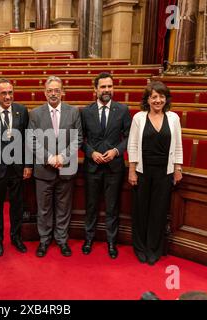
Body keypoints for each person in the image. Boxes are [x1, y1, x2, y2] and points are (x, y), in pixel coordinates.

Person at [127, 81, 183, 265]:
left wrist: (177, 168)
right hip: (143, 171)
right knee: (141, 211)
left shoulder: (173, 118)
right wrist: (132, 171)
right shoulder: (139, 118)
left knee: (158, 212)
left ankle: (154, 249)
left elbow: (178, 145)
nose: (158, 100)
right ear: (148, 99)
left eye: (161, 96)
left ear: (166, 99)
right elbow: (132, 145)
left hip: (164, 172)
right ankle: (141, 247)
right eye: (154, 97)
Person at [27, 76, 83, 258]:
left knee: (63, 207)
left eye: (56, 90)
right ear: (45, 93)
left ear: (62, 93)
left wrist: (63, 157)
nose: (53, 94)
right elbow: (31, 140)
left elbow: (78, 139)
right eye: (50, 91)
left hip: (66, 169)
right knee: (43, 209)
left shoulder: (73, 112)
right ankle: (44, 240)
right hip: (44, 170)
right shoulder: (35, 114)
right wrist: (50, 157)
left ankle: (61, 240)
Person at [80, 72, 131, 259]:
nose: (107, 90)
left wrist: (116, 151)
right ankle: (88, 239)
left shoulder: (123, 110)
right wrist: (91, 152)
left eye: (110, 86)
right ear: (95, 90)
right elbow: (80, 139)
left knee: (112, 207)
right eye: (103, 87)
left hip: (114, 168)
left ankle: (111, 242)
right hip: (92, 167)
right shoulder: (86, 112)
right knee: (91, 205)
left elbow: (128, 137)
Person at [0, 78, 32, 257]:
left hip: (17, 167)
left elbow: (27, 139)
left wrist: (27, 164)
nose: (8, 96)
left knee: (17, 205)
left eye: (10, 92)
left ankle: (16, 238)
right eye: (3, 93)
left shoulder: (21, 111)